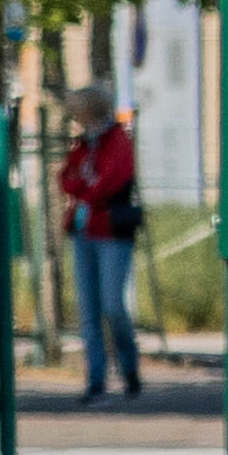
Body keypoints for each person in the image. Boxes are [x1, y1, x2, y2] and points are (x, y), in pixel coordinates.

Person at [57, 101, 146, 402]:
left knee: (112, 305)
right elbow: (65, 178)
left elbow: (110, 180)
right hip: (82, 231)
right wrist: (83, 185)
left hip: (110, 231)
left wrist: (83, 187)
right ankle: (95, 379)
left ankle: (129, 368)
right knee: (88, 311)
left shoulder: (118, 139)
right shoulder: (82, 145)